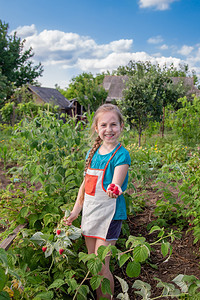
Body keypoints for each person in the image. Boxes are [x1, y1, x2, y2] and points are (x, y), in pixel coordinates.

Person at [64, 103, 131, 299]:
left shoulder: (121, 155)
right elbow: (84, 187)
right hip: (91, 214)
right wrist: (75, 211)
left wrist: (115, 189)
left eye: (113, 125)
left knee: (102, 268)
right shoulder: (91, 154)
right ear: (96, 128)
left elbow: (116, 183)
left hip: (110, 216)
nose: (108, 130)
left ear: (121, 126)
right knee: (92, 264)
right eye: (103, 125)